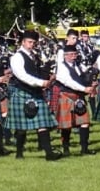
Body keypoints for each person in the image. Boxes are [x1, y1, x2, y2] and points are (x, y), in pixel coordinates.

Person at [6, 29, 62, 160]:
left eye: (34, 42)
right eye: (30, 42)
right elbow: (22, 76)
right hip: (22, 93)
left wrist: (49, 76)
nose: (32, 45)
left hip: (36, 93)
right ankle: (19, 153)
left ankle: (49, 154)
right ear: (23, 42)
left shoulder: (35, 56)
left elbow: (38, 72)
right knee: (21, 128)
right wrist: (41, 82)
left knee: (43, 124)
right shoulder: (16, 57)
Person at [54, 41, 96, 155]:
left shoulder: (78, 66)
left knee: (85, 122)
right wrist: (84, 89)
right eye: (71, 55)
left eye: (75, 54)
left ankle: (84, 149)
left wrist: (91, 82)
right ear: (65, 55)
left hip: (79, 97)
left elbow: (84, 77)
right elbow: (69, 82)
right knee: (66, 126)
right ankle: (66, 149)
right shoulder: (61, 67)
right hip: (66, 96)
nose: (74, 57)